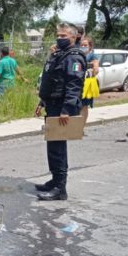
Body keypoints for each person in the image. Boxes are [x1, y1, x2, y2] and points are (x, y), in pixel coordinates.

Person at [34, 22, 85, 201]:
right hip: (53, 104)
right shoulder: (60, 54)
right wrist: (42, 101)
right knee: (52, 144)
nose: (59, 38)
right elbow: (52, 81)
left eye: (64, 36)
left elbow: (74, 85)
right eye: (58, 35)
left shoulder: (74, 57)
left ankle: (60, 188)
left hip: (62, 108)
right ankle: (55, 180)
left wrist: (67, 110)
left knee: (58, 147)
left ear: (74, 37)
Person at [80, 35, 99, 123]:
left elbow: (96, 70)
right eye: (81, 45)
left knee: (84, 106)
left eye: (85, 45)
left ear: (90, 46)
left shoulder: (92, 56)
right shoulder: (78, 55)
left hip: (87, 84)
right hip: (77, 83)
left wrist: (93, 68)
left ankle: (82, 125)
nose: (83, 47)